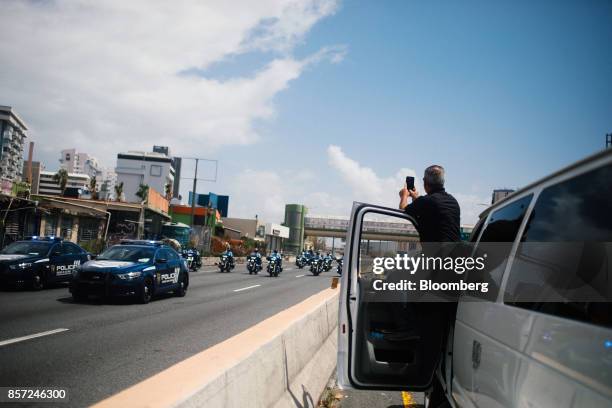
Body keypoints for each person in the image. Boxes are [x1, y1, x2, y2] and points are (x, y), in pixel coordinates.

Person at [399, 165, 460, 242]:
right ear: (442, 182)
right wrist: (416, 198)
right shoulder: (453, 201)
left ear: (425, 181)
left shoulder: (426, 201)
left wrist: (403, 196)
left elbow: (403, 209)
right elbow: (430, 207)